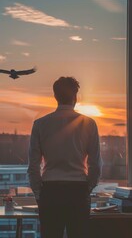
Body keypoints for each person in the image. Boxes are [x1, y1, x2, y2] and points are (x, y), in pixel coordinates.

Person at [28, 76, 102, 238]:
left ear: (55, 96)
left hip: (51, 190)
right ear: (76, 96)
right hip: (78, 190)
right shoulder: (89, 124)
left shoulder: (40, 124)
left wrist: (39, 194)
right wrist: (88, 188)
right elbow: (95, 163)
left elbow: (33, 165)